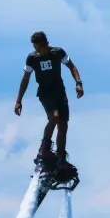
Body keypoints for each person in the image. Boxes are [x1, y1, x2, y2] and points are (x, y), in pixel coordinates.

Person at [14, 31, 84, 168]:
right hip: (45, 93)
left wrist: (78, 83)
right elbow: (25, 79)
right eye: (34, 47)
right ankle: (44, 149)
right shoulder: (32, 58)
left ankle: (60, 158)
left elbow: (72, 66)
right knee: (54, 117)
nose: (36, 50)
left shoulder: (58, 52)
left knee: (63, 125)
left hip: (59, 92)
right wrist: (18, 100)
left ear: (46, 44)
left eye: (38, 47)